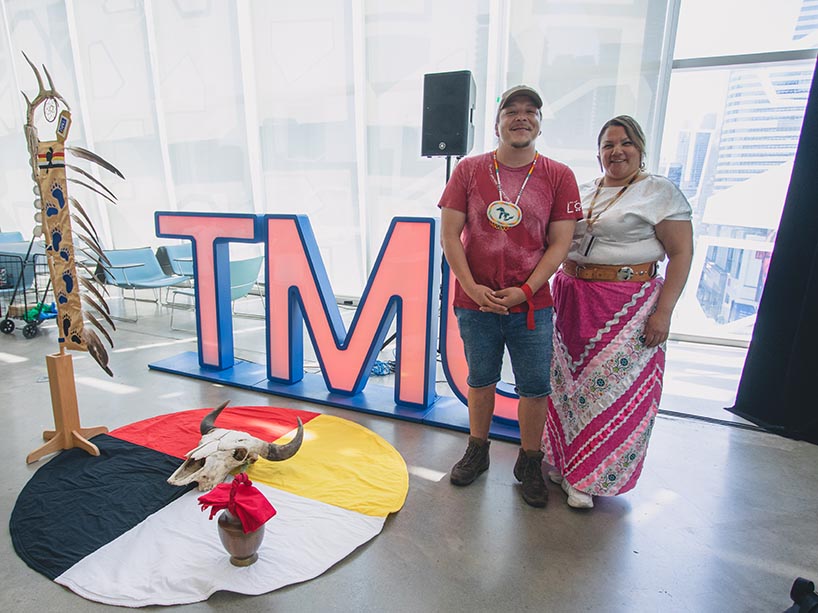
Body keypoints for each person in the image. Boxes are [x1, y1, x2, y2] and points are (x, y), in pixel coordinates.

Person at [438, 85, 582, 508]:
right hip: (475, 302)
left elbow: (560, 244)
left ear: (538, 121)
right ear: (497, 122)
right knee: (480, 379)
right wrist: (469, 285)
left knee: (535, 387)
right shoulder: (468, 170)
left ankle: (529, 462)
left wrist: (525, 290)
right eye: (511, 111)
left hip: (532, 305)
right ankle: (477, 450)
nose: (521, 117)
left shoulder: (558, 175)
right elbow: (450, 234)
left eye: (530, 111)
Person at [542, 115, 694, 509]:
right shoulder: (585, 191)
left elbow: (681, 254)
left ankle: (589, 477)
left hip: (626, 303)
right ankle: (562, 461)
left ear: (640, 148)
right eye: (608, 145)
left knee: (609, 390)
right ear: (598, 153)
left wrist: (664, 313)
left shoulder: (658, 192)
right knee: (566, 389)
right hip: (572, 298)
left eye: (625, 143)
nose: (616, 151)